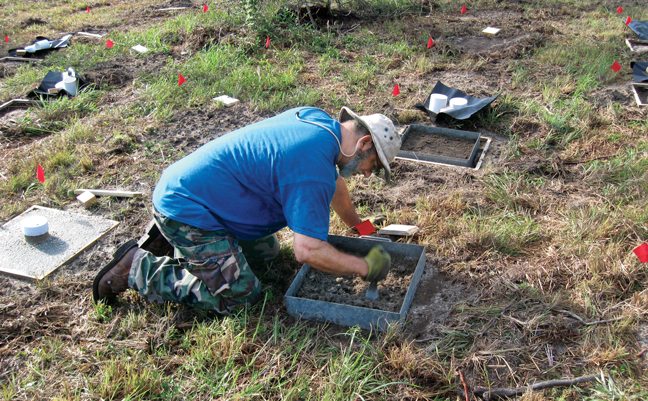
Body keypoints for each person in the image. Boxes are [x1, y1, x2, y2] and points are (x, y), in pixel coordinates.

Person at [92, 106, 402, 314]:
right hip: (189, 210)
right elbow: (308, 250)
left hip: (196, 189)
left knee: (265, 253)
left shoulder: (317, 121)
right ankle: (139, 268)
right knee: (242, 298)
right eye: (372, 167)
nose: (366, 175)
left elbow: (335, 186)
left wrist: (360, 228)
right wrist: (364, 268)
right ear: (362, 144)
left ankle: (180, 245)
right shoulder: (312, 169)